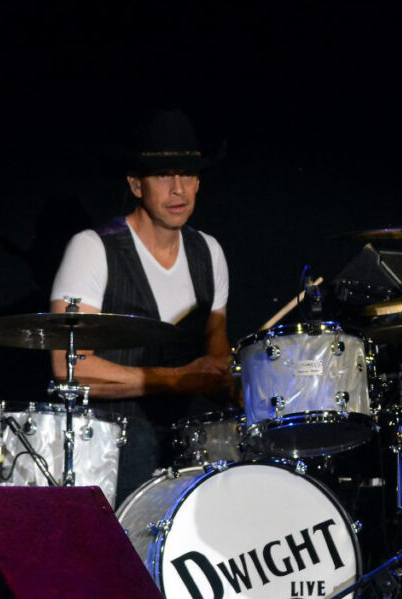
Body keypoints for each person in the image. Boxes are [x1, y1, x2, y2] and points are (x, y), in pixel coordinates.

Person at [49, 108, 232, 504]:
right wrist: (173, 378)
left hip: (186, 451)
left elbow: (217, 359)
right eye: (164, 176)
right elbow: (68, 366)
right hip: (112, 450)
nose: (178, 190)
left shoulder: (209, 252)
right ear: (135, 184)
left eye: (188, 175)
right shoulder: (93, 248)